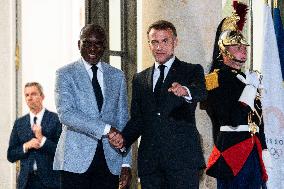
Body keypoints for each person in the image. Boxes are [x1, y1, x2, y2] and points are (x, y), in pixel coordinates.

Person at [109, 20, 207, 189]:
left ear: (175, 42)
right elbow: (138, 119)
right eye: (155, 42)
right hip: (151, 165)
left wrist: (185, 91)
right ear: (149, 44)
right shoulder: (140, 79)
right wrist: (123, 139)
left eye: (165, 41)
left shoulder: (191, 70)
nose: (159, 47)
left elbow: (201, 92)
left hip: (183, 163)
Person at [53, 24, 131, 189]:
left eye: (98, 43)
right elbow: (66, 114)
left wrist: (126, 164)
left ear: (105, 46)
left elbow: (123, 121)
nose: (93, 48)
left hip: (110, 162)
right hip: (74, 163)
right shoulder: (65, 74)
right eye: (87, 43)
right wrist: (107, 129)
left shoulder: (117, 76)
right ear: (79, 44)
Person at [204, 2, 272, 188]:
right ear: (224, 50)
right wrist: (249, 88)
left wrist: (264, 147)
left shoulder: (246, 78)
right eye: (236, 47)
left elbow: (258, 119)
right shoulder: (215, 79)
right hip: (232, 151)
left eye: (244, 47)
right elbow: (230, 117)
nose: (243, 51)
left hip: (253, 149)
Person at [7, 82, 62, 189]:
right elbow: (11, 155)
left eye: (33, 94)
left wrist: (42, 140)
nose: (29, 98)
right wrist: (25, 146)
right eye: (27, 95)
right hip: (26, 182)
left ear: (42, 97)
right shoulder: (19, 123)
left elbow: (63, 153)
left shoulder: (56, 120)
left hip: (50, 183)